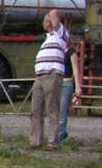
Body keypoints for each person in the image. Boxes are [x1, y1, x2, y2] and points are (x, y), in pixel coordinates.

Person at [29, 9, 77, 148]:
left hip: (52, 74)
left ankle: (52, 141)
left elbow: (54, 12)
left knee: (52, 109)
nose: (43, 22)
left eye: (45, 20)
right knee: (35, 109)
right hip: (40, 76)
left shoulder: (60, 33)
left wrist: (49, 15)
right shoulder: (47, 38)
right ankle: (35, 140)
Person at [53, 14, 84, 144]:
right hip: (56, 81)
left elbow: (76, 70)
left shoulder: (71, 52)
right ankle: (59, 133)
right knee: (54, 109)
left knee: (63, 111)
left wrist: (77, 87)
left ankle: (60, 135)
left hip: (66, 83)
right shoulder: (57, 49)